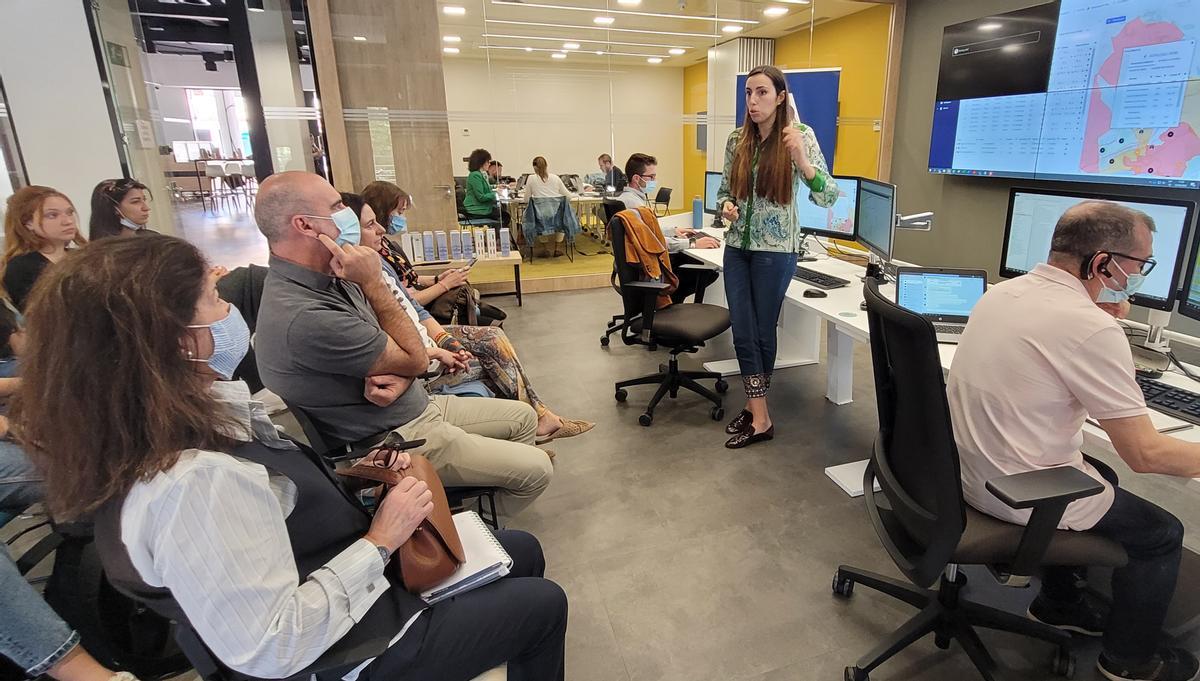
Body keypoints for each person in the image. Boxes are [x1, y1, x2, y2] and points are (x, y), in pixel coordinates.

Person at [10, 233, 568, 681]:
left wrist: (357, 485)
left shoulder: (155, 421)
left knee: (518, 548)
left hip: (321, 558)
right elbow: (271, 646)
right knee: (540, 604)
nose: (230, 309)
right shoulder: (191, 482)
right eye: (215, 298)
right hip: (331, 650)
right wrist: (382, 540)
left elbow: (275, 484)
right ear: (183, 338)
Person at [949, 201, 1200, 681]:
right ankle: (1128, 662)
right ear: (1103, 264)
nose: (1141, 275)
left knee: (1099, 472)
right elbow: (1146, 455)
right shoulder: (1089, 327)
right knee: (1162, 534)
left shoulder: (1005, 293)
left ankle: (1058, 602)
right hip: (1016, 491)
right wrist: (1102, 323)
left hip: (960, 471)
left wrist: (1100, 311)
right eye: (1140, 264)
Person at [253, 172, 553, 517]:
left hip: (415, 405)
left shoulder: (333, 274)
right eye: (337, 206)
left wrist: (406, 367)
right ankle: (460, 532)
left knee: (524, 417)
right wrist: (378, 292)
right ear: (305, 225)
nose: (348, 215)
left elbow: (402, 342)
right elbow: (410, 354)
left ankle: (472, 502)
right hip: (393, 436)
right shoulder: (306, 313)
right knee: (537, 469)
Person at [344, 192, 594, 444]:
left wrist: (444, 335)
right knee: (493, 358)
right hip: (417, 356)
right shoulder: (361, 278)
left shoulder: (381, 257)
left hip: (425, 339)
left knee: (494, 338)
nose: (382, 228)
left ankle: (533, 424)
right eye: (372, 224)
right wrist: (442, 294)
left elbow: (411, 299)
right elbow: (399, 317)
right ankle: (533, 426)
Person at [717, 65, 837, 449]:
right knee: (743, 329)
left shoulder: (799, 137)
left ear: (781, 96)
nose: (753, 101)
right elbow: (725, 191)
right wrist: (727, 207)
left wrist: (803, 161)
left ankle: (759, 413)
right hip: (737, 247)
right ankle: (759, 411)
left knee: (761, 330)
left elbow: (828, 196)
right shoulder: (737, 140)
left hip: (776, 252)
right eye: (749, 93)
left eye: (762, 93)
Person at [617, 153, 720, 304]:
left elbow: (648, 229)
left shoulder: (627, 200)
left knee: (688, 260)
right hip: (647, 269)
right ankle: (670, 306)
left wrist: (674, 230)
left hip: (635, 267)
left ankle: (670, 308)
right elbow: (653, 244)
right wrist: (692, 243)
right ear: (636, 179)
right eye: (651, 177)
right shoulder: (635, 207)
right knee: (707, 270)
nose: (654, 181)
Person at [361, 181, 471, 308]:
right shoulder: (373, 255)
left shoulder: (385, 244)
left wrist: (437, 279)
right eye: (400, 212)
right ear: (382, 211)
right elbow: (406, 301)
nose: (403, 218)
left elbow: (409, 279)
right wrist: (445, 284)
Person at [2, 186, 87, 311]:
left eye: (69, 213)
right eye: (52, 215)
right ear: (28, 223)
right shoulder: (21, 267)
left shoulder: (82, 256)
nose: (68, 221)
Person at [88, 179, 152, 240]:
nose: (146, 208)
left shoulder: (153, 240)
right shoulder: (102, 249)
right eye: (135, 202)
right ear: (114, 208)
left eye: (144, 200)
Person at [462, 148, 507, 227]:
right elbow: (481, 197)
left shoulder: (481, 174)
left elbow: (485, 187)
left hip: (480, 208)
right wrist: (496, 193)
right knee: (505, 216)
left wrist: (496, 186)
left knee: (503, 213)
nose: (489, 164)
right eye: (488, 162)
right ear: (481, 163)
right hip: (477, 210)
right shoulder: (475, 175)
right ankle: (497, 237)